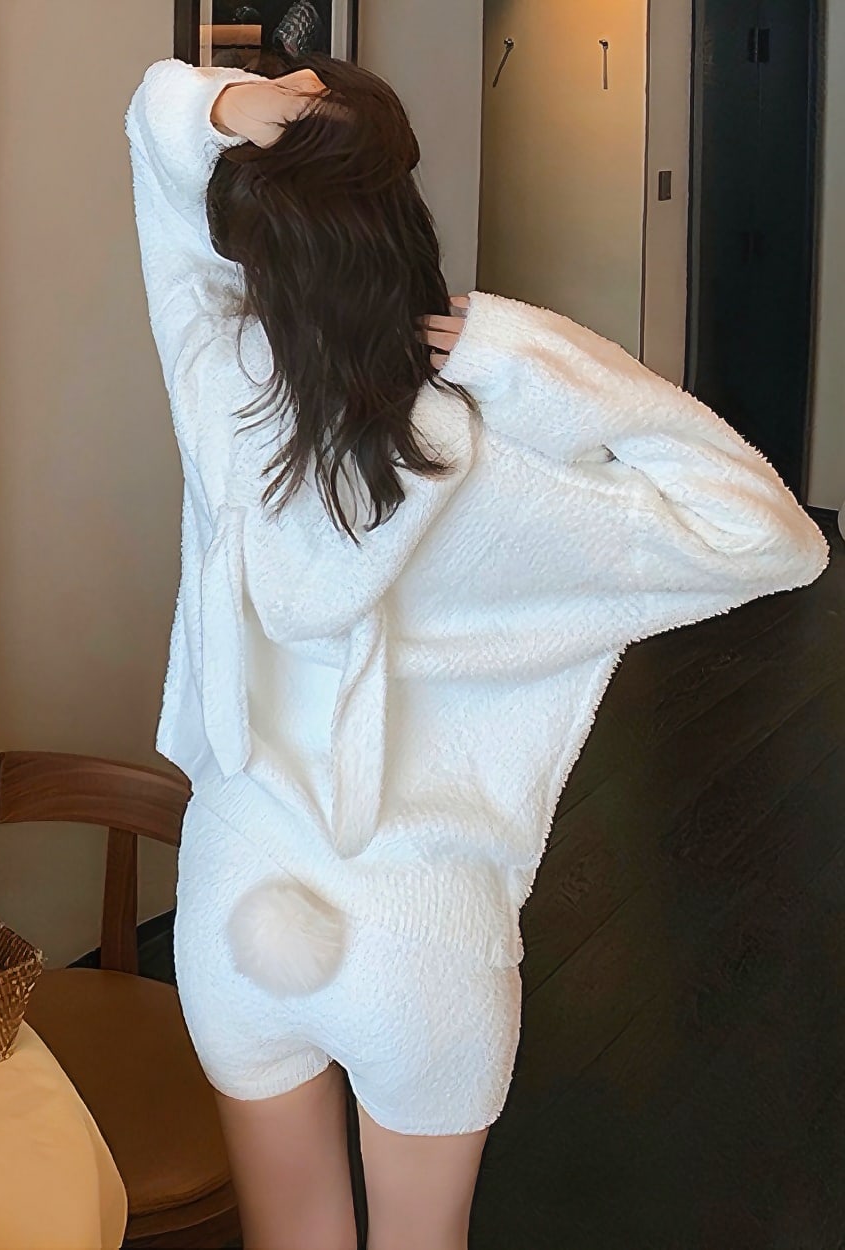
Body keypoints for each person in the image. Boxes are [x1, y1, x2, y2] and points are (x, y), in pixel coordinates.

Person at [123, 51, 829, 1250]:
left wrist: (234, 109)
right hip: (422, 935)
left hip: (239, 896)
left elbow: (153, 135)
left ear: (254, 243)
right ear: (401, 222)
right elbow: (772, 534)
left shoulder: (219, 386)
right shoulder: (500, 473)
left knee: (292, 1233)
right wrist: (522, 352)